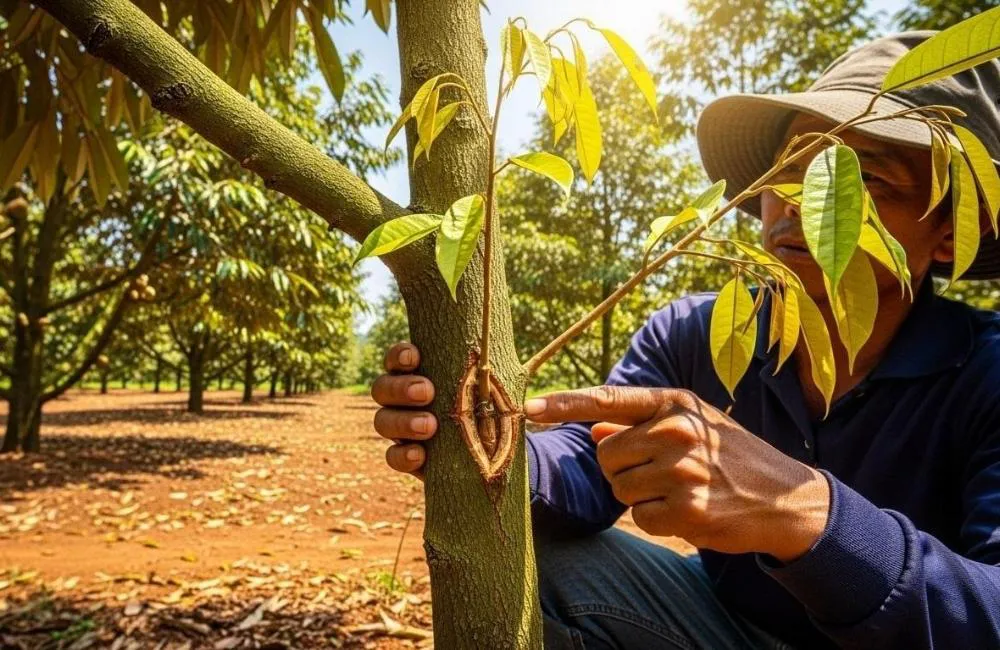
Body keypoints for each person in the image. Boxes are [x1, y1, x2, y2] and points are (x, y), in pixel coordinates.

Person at [369, 31, 1000, 649]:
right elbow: (591, 463)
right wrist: (481, 437)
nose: (798, 199)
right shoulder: (695, 332)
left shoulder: (987, 372)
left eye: (864, 182)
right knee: (548, 566)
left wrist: (806, 513)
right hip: (726, 629)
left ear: (950, 232)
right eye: (790, 166)